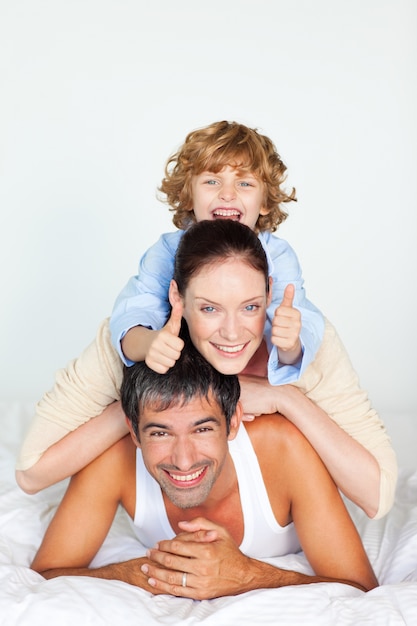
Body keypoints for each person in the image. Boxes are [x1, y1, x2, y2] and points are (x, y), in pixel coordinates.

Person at [15, 123, 397, 519]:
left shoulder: (284, 279)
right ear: (177, 294)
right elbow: (30, 473)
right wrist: (138, 403)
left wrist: (287, 386)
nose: (228, 195)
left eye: (249, 305)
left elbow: (378, 492)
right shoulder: (161, 266)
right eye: (212, 181)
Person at [30, 332, 378, 598]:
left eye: (203, 429)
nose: (183, 461)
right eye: (160, 433)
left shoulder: (285, 449)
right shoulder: (115, 458)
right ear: (133, 431)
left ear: (234, 420)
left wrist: (246, 575)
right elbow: (45, 573)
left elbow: (360, 588)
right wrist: (138, 573)